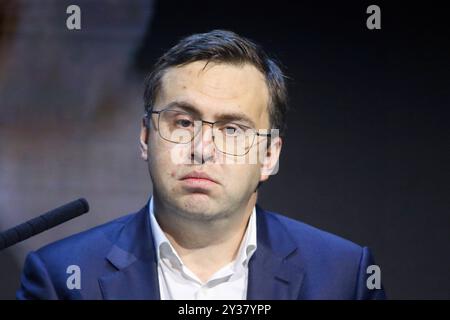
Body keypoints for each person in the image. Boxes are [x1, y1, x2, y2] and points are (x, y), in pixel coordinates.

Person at [17, 30, 385, 300]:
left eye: (231, 128)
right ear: (146, 137)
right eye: (183, 123)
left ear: (269, 155)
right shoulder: (62, 277)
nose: (202, 149)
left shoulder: (342, 277)